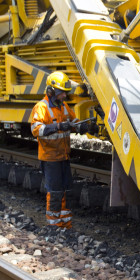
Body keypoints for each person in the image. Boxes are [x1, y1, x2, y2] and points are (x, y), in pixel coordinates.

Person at [30, 71, 88, 229]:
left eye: (65, 93)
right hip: (50, 158)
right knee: (55, 192)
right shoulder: (41, 107)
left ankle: (66, 223)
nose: (64, 96)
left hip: (63, 156)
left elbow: (73, 121)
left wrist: (83, 126)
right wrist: (57, 126)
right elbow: (36, 130)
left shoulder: (64, 107)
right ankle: (54, 226)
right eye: (62, 93)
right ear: (51, 91)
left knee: (67, 190)